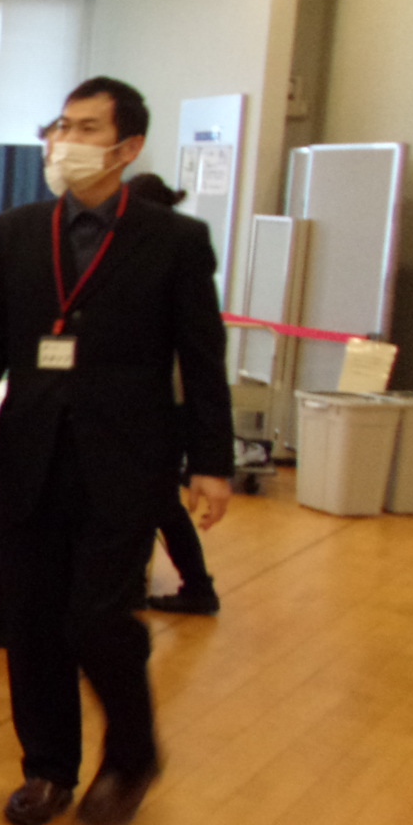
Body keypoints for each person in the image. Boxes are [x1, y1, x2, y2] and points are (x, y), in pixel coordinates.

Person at [0, 77, 232, 825]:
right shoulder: (19, 231)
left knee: (98, 618)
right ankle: (48, 768)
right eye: (61, 127)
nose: (65, 143)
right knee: (32, 616)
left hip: (127, 456)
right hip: (33, 450)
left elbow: (202, 358)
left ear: (127, 146)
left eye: (85, 129)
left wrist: (212, 461)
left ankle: (132, 754)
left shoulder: (173, 241)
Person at [123, 172, 222, 616]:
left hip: (165, 407)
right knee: (160, 503)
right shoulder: (172, 254)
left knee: (156, 502)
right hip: (170, 407)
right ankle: (190, 584)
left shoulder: (171, 256)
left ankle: (191, 585)